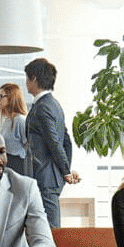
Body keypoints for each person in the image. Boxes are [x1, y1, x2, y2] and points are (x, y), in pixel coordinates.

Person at [24, 58, 80, 228]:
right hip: (50, 176)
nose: (25, 83)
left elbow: (55, 143)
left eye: (27, 78)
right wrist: (65, 170)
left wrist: (65, 171)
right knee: (43, 228)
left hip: (45, 177)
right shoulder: (53, 104)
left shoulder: (42, 107)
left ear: (34, 79)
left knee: (50, 230)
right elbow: (66, 141)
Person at [0, 83, 29, 175]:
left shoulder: (20, 120)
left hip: (17, 166)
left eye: (1, 96)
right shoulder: (7, 121)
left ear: (11, 98)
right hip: (6, 164)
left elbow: (29, 148)